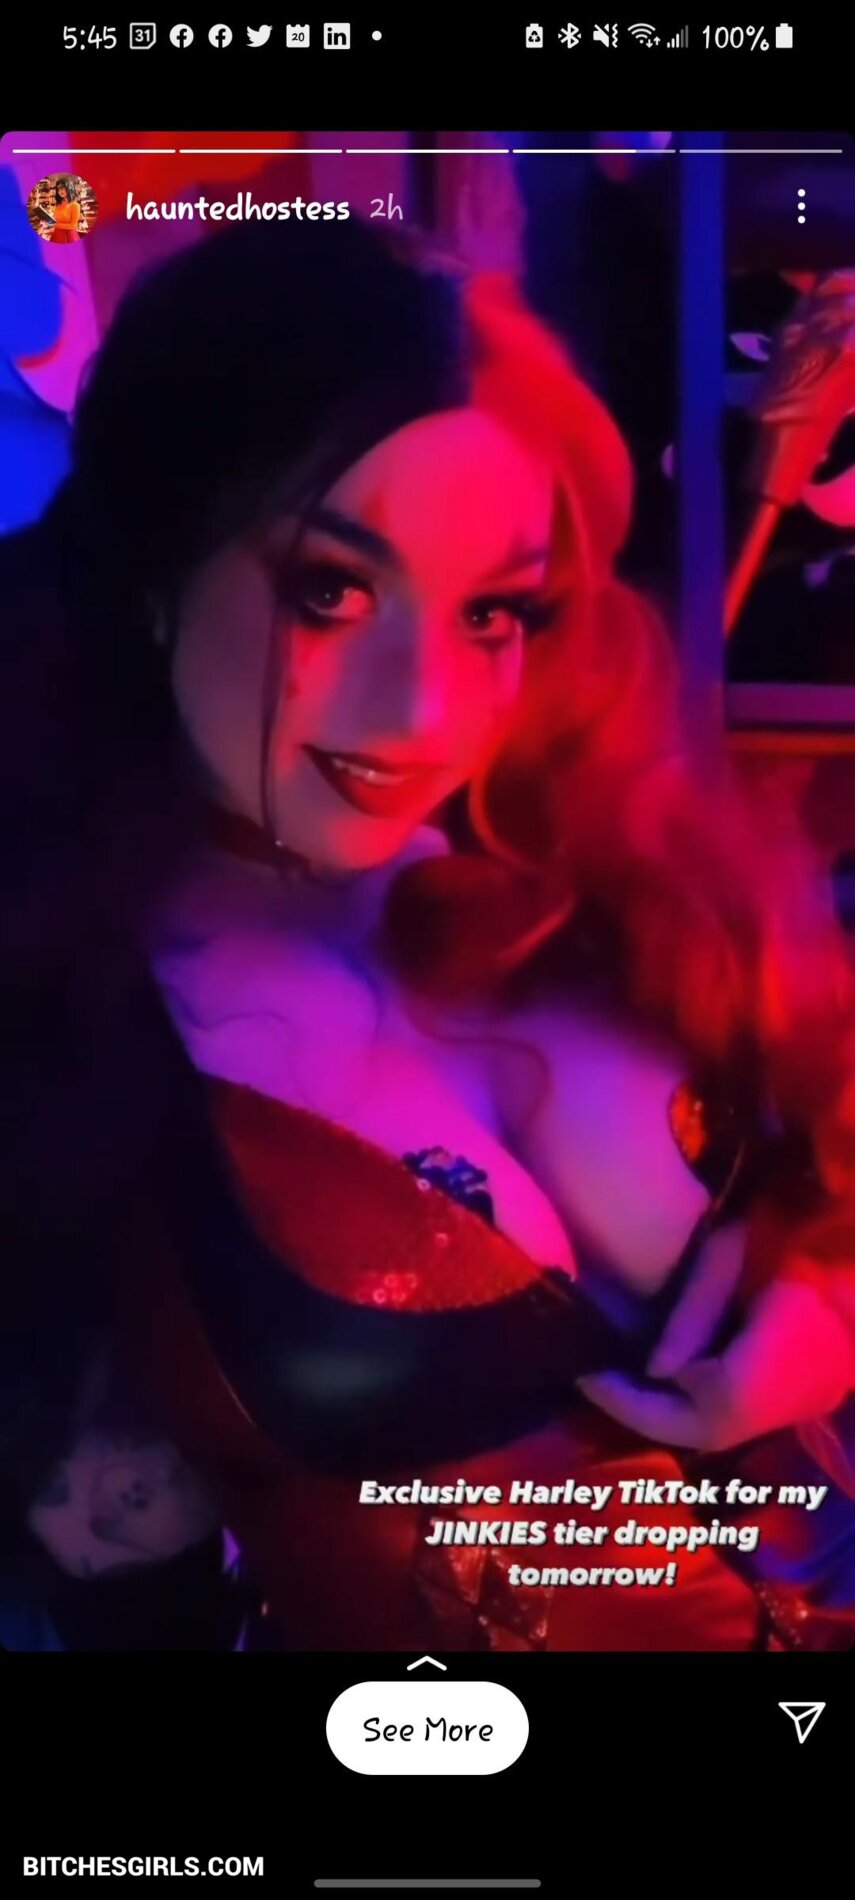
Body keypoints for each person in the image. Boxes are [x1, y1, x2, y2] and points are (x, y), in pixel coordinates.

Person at [1, 217, 853, 1652]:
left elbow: (817, 1131)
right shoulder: (58, 983)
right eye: (329, 590)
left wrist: (825, 1286)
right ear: (156, 569)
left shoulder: (594, 854)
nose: (425, 711)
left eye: (491, 611)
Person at [48, 177, 81, 244]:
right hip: (57, 234)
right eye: (58, 189)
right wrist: (48, 220)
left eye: (62, 188)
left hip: (69, 237)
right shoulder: (58, 204)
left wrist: (55, 225)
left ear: (69, 188)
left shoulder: (75, 205)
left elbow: (73, 226)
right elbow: (55, 219)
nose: (60, 191)